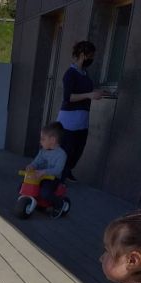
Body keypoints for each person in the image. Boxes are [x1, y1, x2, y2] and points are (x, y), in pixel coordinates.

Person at [57, 40, 103, 182]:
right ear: (83, 55)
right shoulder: (70, 74)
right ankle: (60, 177)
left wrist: (96, 92)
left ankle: (67, 170)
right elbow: (68, 97)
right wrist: (89, 95)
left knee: (78, 149)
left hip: (82, 119)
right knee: (67, 149)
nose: (92, 59)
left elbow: (85, 91)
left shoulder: (84, 73)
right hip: (69, 120)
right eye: (91, 56)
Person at [25, 121, 67, 219]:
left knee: (45, 193)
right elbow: (36, 162)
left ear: (52, 140)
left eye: (43, 139)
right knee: (24, 186)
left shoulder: (61, 155)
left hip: (53, 179)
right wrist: (31, 166)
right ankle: (38, 203)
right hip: (40, 176)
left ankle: (59, 203)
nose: (40, 141)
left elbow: (57, 170)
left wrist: (44, 172)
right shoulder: (42, 151)